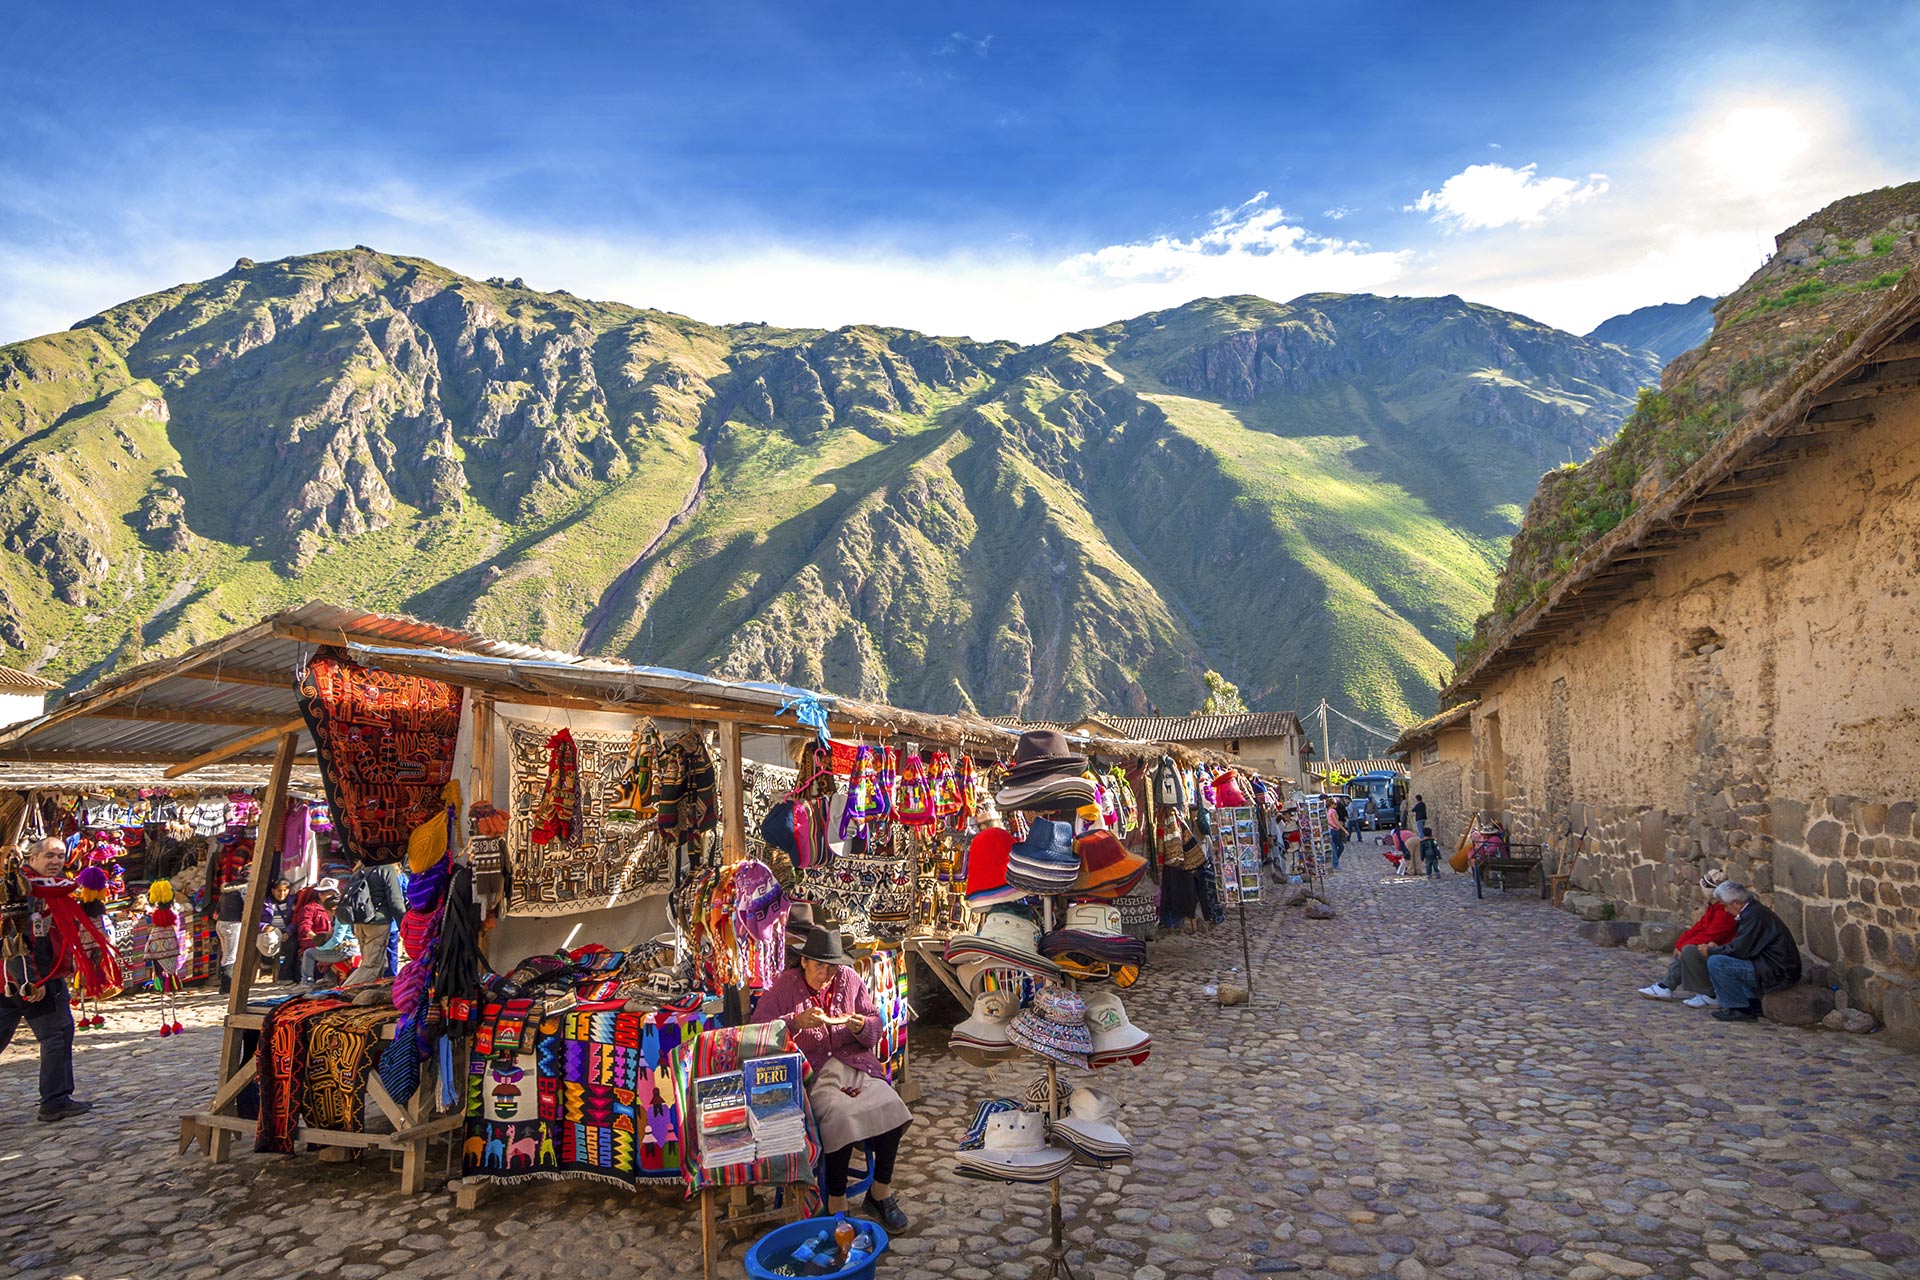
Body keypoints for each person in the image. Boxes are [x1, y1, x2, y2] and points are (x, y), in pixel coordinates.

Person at [750, 926, 912, 1231]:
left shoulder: (849, 979)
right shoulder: (784, 986)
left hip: (856, 1066)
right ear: (804, 962)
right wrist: (794, 1022)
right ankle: (837, 1201)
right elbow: (757, 1032)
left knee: (892, 1105)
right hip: (813, 1072)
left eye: (831, 967)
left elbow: (875, 1024)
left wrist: (860, 1025)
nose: (826, 974)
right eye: (819, 966)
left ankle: (880, 1192)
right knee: (839, 1115)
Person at [0, 839, 93, 1121]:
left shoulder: (46, 888)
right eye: (49, 855)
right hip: (33, 980)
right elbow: (14, 938)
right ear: (33, 857)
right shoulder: (23, 889)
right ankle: (55, 1099)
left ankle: (57, 1098)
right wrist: (30, 981)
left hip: (20, 980)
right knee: (57, 1034)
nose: (55, 861)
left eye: (60, 856)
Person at [1701, 881, 1802, 1022]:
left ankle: (1740, 1008)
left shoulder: (1753, 915)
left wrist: (1712, 951)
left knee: (1717, 962)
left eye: (1725, 906)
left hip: (1777, 971)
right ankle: (1752, 1002)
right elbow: (1743, 945)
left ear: (1736, 903)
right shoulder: (1753, 912)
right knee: (1725, 960)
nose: (1725, 910)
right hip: (1772, 966)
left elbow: (1740, 949)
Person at [1637, 869, 1739, 1005]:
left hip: (1723, 950)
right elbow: (1700, 927)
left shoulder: (1725, 911)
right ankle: (1666, 986)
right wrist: (1680, 943)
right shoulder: (1714, 907)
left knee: (1689, 951)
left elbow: (1711, 934)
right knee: (1686, 949)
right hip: (1715, 946)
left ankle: (1708, 994)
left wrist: (1684, 946)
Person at [338, 859, 406, 986]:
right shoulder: (387, 869)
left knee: (370, 963)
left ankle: (363, 993)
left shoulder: (360, 869)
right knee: (372, 966)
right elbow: (395, 901)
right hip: (378, 924)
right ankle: (343, 990)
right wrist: (404, 925)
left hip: (360, 923)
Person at [297, 885, 359, 988]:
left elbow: (337, 939)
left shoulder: (340, 918)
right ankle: (328, 979)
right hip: (349, 948)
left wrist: (321, 949)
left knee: (309, 953)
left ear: (333, 909)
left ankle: (306, 982)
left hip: (346, 950)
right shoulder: (346, 914)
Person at [215, 867, 249, 994]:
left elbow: (218, 908)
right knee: (230, 956)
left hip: (221, 923)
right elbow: (247, 906)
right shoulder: (244, 889)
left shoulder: (227, 888)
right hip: (232, 924)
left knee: (226, 954)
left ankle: (225, 986)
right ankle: (226, 987)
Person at [1326, 800, 1347, 870]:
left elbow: (1328, 821)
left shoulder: (1328, 811)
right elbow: (1337, 822)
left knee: (1337, 847)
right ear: (1331, 804)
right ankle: (1335, 863)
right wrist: (1344, 830)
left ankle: (1335, 861)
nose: (1336, 805)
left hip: (1332, 829)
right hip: (1334, 830)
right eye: (1335, 804)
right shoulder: (1333, 811)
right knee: (1337, 847)